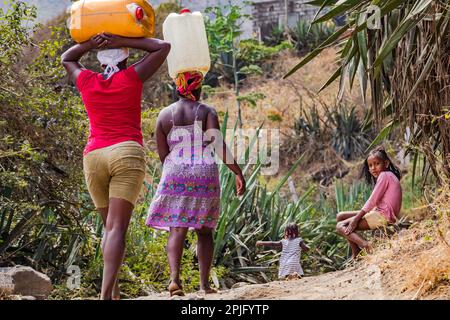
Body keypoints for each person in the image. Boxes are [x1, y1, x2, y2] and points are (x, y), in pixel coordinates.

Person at [61, 33, 171, 300]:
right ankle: (105, 296)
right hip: (126, 153)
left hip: (94, 157)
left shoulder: (87, 80)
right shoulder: (131, 77)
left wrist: (92, 44)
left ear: (100, 63)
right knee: (116, 228)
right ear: (125, 60)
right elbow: (162, 47)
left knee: (107, 227)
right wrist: (121, 39)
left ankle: (114, 292)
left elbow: (67, 57)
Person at [146, 70, 246, 297]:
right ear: (198, 89)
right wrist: (237, 172)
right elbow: (219, 146)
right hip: (204, 172)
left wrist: (176, 170)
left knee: (177, 227)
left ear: (178, 88)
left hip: (175, 171)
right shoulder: (207, 112)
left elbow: (163, 154)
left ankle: (174, 281)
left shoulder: (163, 115)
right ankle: (204, 285)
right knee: (204, 231)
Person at [336, 146, 403, 259]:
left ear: (386, 163)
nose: (373, 168)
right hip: (381, 212)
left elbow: (372, 200)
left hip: (383, 216)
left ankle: (366, 245)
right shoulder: (388, 175)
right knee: (340, 216)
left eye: (377, 164)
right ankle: (356, 252)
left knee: (340, 225)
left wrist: (356, 220)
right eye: (370, 165)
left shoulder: (384, 175)